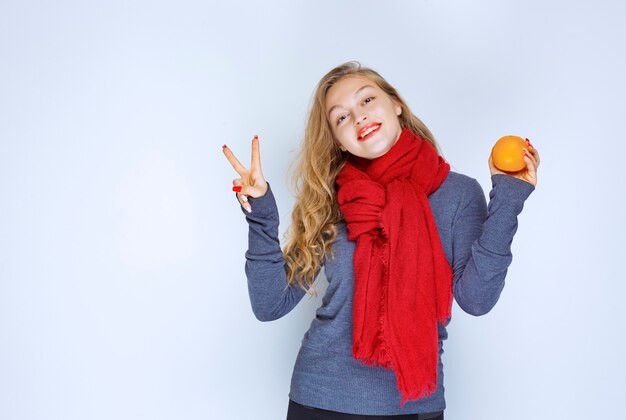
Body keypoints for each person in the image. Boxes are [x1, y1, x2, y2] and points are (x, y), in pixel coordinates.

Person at [222, 61, 540, 419]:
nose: (358, 117)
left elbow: (477, 300)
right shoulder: (330, 200)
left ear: (396, 104)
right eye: (340, 118)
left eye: (367, 100)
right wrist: (261, 216)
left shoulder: (458, 195)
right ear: (337, 141)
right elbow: (270, 305)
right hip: (319, 401)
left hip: (413, 407)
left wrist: (509, 198)